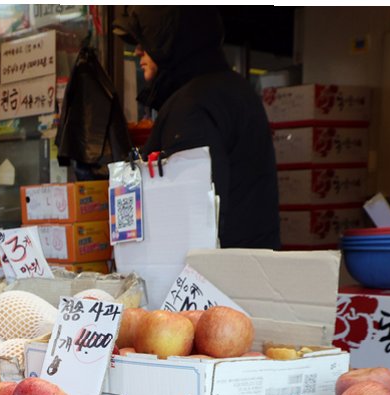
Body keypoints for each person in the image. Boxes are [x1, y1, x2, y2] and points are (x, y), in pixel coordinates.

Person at [115, 7, 281, 249]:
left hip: (216, 268)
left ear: (171, 43)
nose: (138, 50)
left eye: (145, 41)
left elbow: (195, 218)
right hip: (248, 262)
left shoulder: (193, 104)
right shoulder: (234, 89)